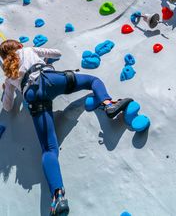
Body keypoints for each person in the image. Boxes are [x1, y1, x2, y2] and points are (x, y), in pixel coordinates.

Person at [0, 40, 132, 215]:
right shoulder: (28, 49)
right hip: (49, 80)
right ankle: (108, 104)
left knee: (48, 149)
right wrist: (43, 61)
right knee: (92, 81)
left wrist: (9, 87)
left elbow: (8, 107)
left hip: (31, 96)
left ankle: (58, 198)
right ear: (18, 46)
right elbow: (57, 53)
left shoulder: (9, 76)